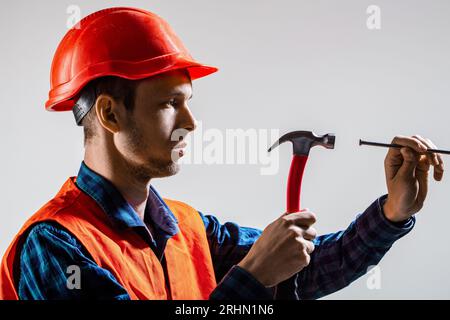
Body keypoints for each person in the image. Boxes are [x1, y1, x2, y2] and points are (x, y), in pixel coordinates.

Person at [0, 7, 444, 300]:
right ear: (111, 114)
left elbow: (302, 270)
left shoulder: (187, 229)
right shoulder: (55, 247)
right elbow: (259, 277)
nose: (191, 123)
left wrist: (391, 213)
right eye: (170, 104)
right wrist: (250, 280)